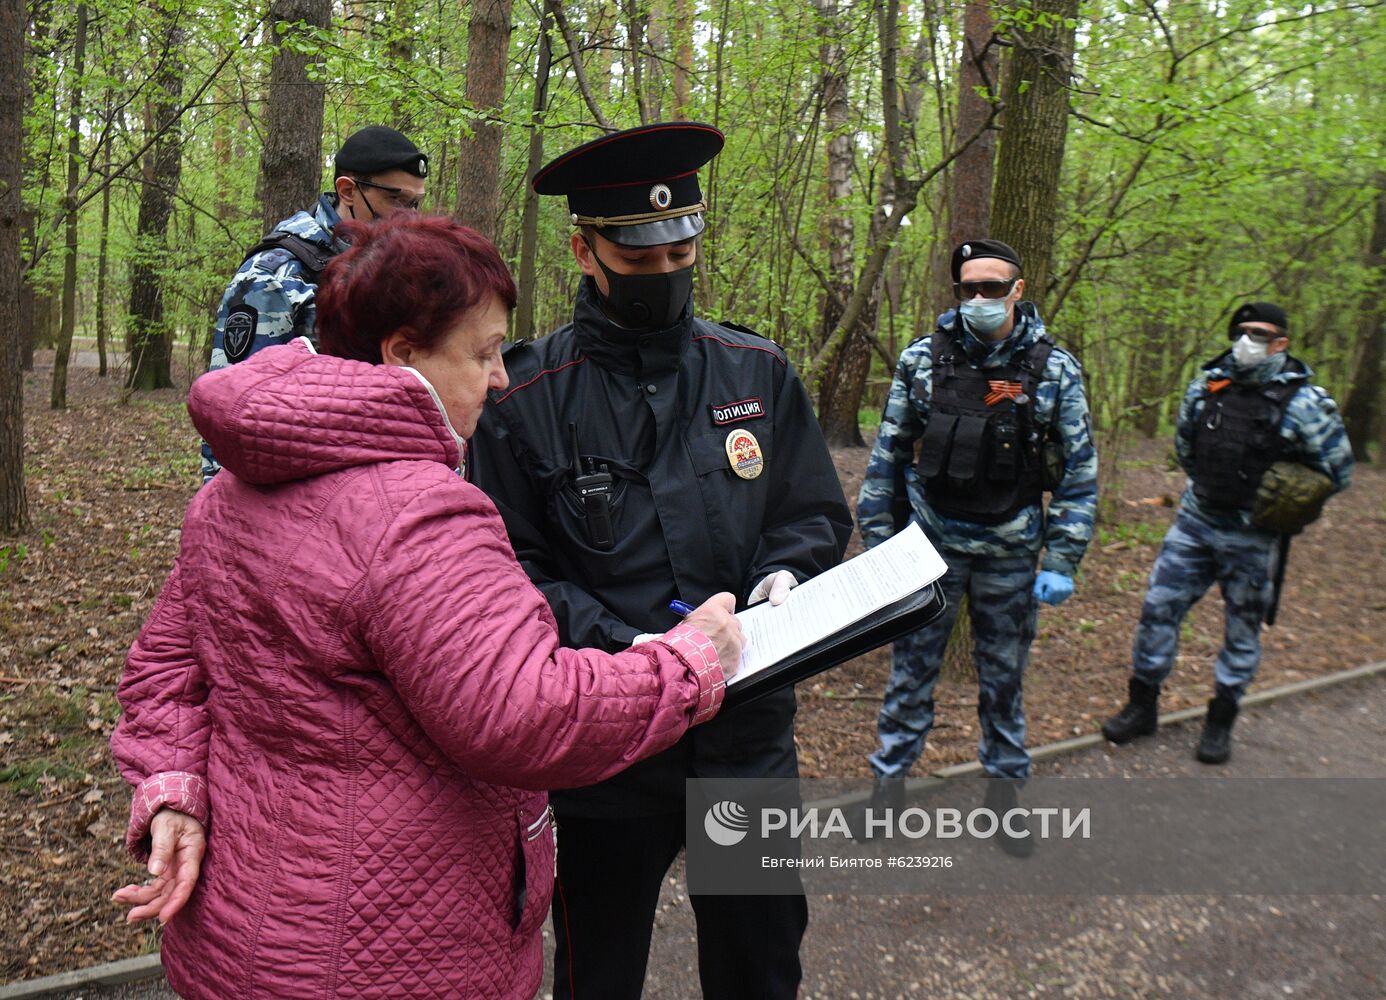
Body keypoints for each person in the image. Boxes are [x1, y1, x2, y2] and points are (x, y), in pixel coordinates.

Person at [110, 214, 743, 1000]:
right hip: (393, 950)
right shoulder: (421, 515)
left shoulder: (231, 493)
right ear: (403, 355)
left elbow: (165, 669)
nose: (502, 377)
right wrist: (688, 662)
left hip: (240, 934)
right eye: (481, 354)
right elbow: (525, 715)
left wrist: (172, 789)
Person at [467, 122, 852, 1000]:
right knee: (597, 970)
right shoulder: (523, 401)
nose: (666, 275)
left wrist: (785, 577)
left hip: (746, 738)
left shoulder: (754, 371)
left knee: (758, 963)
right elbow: (510, 572)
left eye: (682, 253)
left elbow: (810, 513)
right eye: (640, 260)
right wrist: (638, 648)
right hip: (609, 748)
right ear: (584, 249)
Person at [855, 239, 1097, 853]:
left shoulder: (1053, 369)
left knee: (1004, 679)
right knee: (910, 676)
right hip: (927, 552)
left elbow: (1078, 473)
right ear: (958, 292)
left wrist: (1063, 559)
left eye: (995, 287)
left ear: (1018, 290)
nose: (982, 299)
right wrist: (881, 549)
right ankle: (887, 792)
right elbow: (886, 460)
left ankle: (1006, 798)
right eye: (970, 288)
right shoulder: (923, 361)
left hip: (1012, 555)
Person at [1101, 302, 1353, 763]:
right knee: (1158, 611)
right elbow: (1186, 448)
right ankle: (1142, 706)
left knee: (1242, 630)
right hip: (1196, 524)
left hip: (1254, 536)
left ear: (1281, 342)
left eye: (1260, 333)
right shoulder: (1206, 387)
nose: (1247, 340)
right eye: (1242, 330)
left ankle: (1221, 720)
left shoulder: (1306, 403)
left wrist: (1288, 498)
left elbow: (1336, 470)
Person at [200, 125, 428, 481]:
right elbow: (231, 413)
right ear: (348, 190)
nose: (410, 217)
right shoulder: (275, 274)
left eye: (415, 203)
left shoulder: (397, 269)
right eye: (397, 201)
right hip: (287, 496)